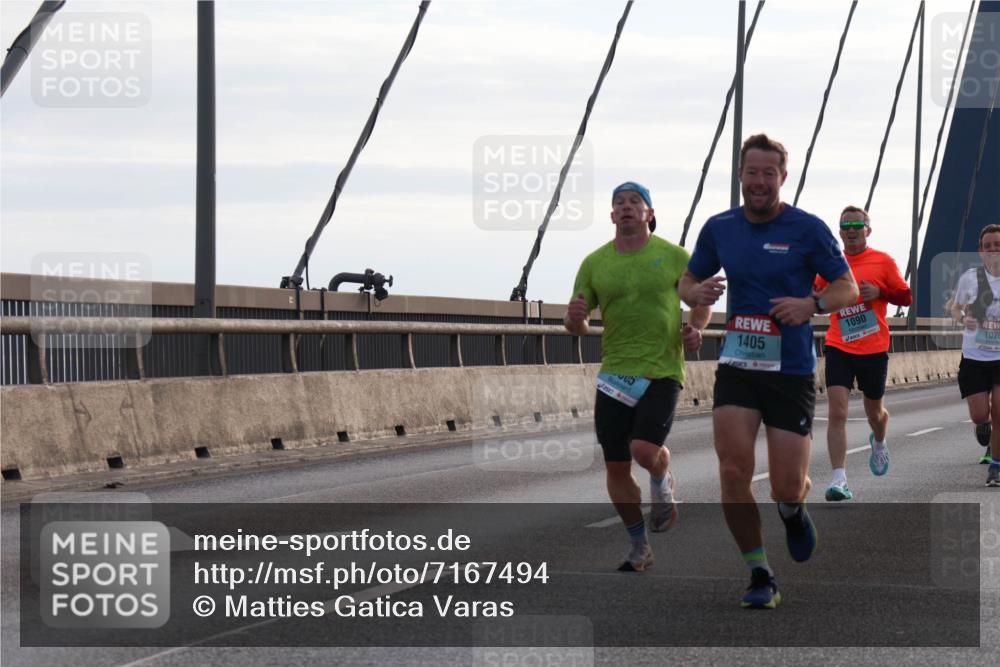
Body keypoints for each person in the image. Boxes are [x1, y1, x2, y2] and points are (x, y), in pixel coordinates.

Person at [678, 134, 859, 608]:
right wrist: (694, 297)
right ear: (740, 175)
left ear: (783, 176)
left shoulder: (808, 229)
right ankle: (760, 572)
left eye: (768, 173)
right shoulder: (720, 228)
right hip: (738, 365)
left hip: (791, 369)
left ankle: (792, 508)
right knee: (734, 471)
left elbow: (849, 288)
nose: (759, 182)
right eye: (751, 173)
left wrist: (812, 304)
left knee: (784, 483)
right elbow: (689, 279)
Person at [565, 181, 712, 572]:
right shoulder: (595, 263)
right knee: (616, 465)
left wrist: (696, 329)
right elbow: (576, 324)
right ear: (612, 216)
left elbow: (699, 300)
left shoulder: (674, 256)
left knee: (644, 451)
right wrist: (575, 320)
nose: (627, 207)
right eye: (619, 203)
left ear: (650, 213)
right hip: (615, 372)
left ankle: (662, 478)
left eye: (635, 202)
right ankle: (638, 544)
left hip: (662, 368)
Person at [815, 206, 912, 501]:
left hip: (873, 347)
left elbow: (906, 297)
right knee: (837, 412)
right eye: (846, 226)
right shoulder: (830, 263)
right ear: (840, 232)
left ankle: (879, 440)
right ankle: (839, 479)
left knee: (874, 413)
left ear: (868, 230)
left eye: (858, 224)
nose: (852, 230)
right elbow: (817, 295)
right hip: (838, 344)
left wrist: (880, 291)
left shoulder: (883, 261)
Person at [950, 223, 1000, 487]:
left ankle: (996, 467)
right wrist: (962, 319)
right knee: (981, 414)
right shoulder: (970, 277)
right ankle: (984, 425)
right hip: (974, 357)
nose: (993, 249)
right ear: (981, 251)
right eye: (988, 245)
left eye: (997, 245)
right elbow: (955, 307)